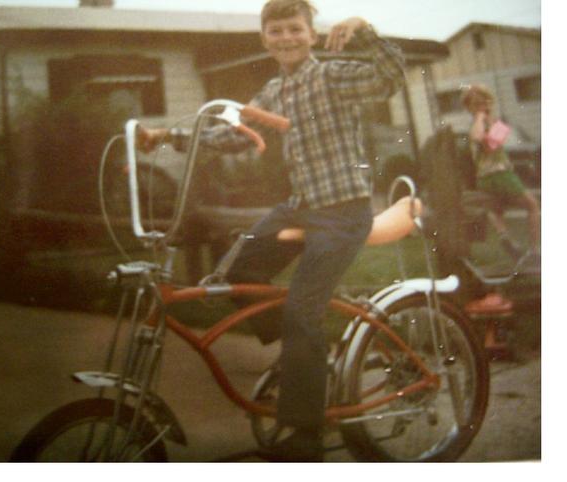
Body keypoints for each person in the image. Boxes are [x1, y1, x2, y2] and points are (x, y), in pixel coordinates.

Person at [138, 0, 405, 461]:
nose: (286, 38)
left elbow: (389, 77)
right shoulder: (275, 90)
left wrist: (362, 28)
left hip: (343, 212)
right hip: (300, 208)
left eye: (295, 29)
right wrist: (166, 136)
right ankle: (302, 358)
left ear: (312, 35)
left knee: (302, 312)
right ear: (264, 40)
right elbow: (232, 134)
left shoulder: (332, 76)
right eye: (276, 31)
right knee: (230, 275)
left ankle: (306, 435)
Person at [461, 84, 540, 263]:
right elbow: (487, 144)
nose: (483, 106)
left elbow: (480, 139)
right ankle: (536, 251)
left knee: (495, 210)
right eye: (478, 104)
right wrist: (482, 117)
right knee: (532, 205)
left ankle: (504, 236)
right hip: (501, 175)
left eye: (484, 102)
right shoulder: (491, 124)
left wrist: (481, 119)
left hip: (484, 178)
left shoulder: (478, 125)